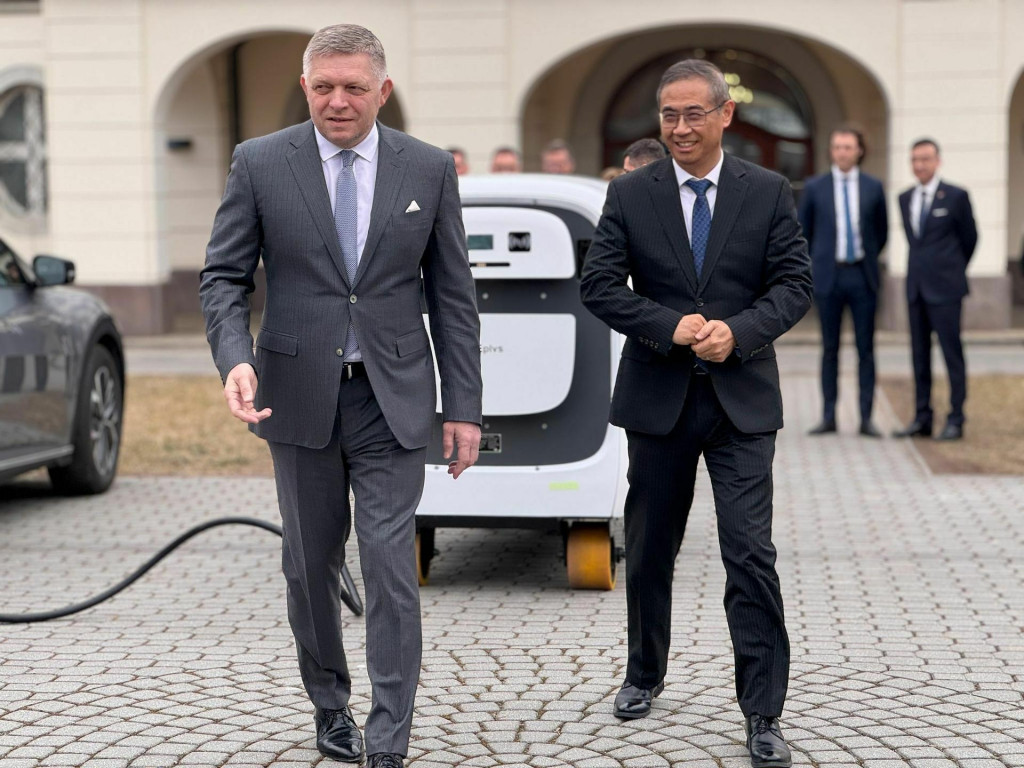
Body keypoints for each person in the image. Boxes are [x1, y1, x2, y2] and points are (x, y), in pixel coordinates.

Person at [199, 24, 483, 768]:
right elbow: (223, 278)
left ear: (382, 90)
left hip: (393, 398)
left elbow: (454, 297)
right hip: (294, 396)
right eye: (324, 86)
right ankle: (330, 703)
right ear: (305, 87)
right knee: (309, 563)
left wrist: (464, 409)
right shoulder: (261, 163)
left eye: (355, 87)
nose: (339, 100)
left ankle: (389, 733)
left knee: (391, 566)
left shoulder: (426, 169)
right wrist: (234, 358)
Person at [581, 58, 812, 768]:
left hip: (741, 401)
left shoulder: (769, 191)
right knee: (650, 549)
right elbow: (598, 285)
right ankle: (643, 675)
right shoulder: (631, 194)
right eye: (669, 116)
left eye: (693, 114)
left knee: (751, 555)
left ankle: (763, 711)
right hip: (659, 399)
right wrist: (669, 325)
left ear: (724, 116)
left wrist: (738, 332)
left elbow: (794, 284)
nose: (680, 128)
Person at [799, 126, 888, 437]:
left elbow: (882, 232)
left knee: (866, 349)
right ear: (831, 151)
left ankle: (866, 417)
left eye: (848, 147)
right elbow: (804, 231)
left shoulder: (874, 187)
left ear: (859, 150)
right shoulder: (815, 187)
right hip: (829, 276)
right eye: (837, 147)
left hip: (862, 276)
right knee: (830, 348)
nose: (842, 152)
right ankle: (828, 416)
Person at [893, 138, 977, 441]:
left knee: (952, 354)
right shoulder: (904, 198)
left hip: (946, 290)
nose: (920, 165)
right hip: (916, 289)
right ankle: (922, 417)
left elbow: (970, 239)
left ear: (937, 161)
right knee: (919, 355)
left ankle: (956, 418)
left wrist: (951, 271)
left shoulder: (956, 196)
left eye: (925, 159)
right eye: (914, 160)